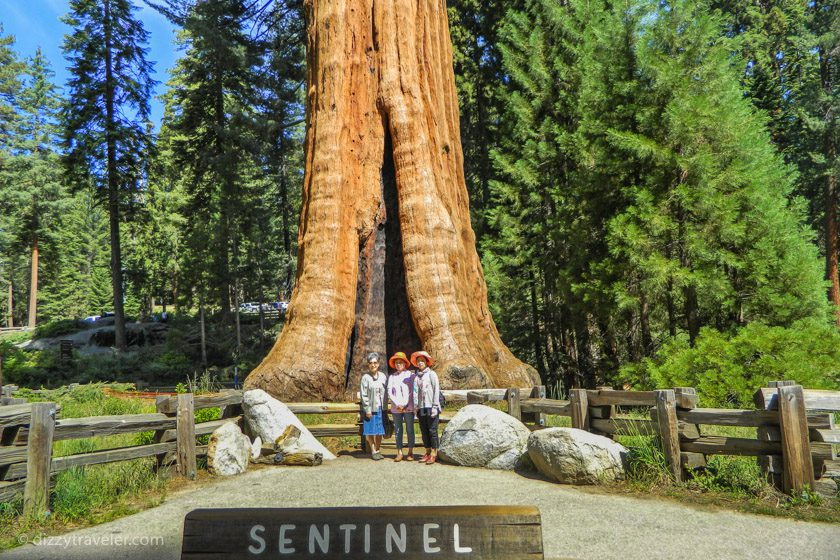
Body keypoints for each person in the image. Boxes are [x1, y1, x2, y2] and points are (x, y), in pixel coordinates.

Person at [412, 350, 440, 465]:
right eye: (418, 361)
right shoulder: (416, 377)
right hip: (421, 407)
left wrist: (435, 405)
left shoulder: (432, 374)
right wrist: (416, 407)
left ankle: (434, 453)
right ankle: (427, 451)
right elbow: (415, 392)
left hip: (430, 406)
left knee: (432, 430)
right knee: (424, 430)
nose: (420, 363)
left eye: (422, 361)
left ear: (426, 362)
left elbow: (436, 390)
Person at [387, 352, 415, 462]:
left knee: (410, 429)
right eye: (396, 362)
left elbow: (412, 391)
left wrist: (405, 404)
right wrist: (397, 404)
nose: (398, 364)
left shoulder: (410, 375)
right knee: (398, 430)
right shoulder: (392, 377)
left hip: (408, 407)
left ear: (405, 363)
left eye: (400, 362)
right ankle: (399, 452)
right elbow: (390, 391)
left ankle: (410, 451)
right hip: (396, 408)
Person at [360, 352, 387, 460]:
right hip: (371, 408)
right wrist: (367, 409)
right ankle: (373, 451)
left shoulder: (383, 376)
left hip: (381, 408)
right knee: (370, 430)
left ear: (379, 364)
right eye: (370, 363)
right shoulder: (365, 378)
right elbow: (364, 394)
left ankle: (378, 449)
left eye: (375, 362)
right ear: (368, 364)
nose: (373, 365)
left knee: (380, 431)